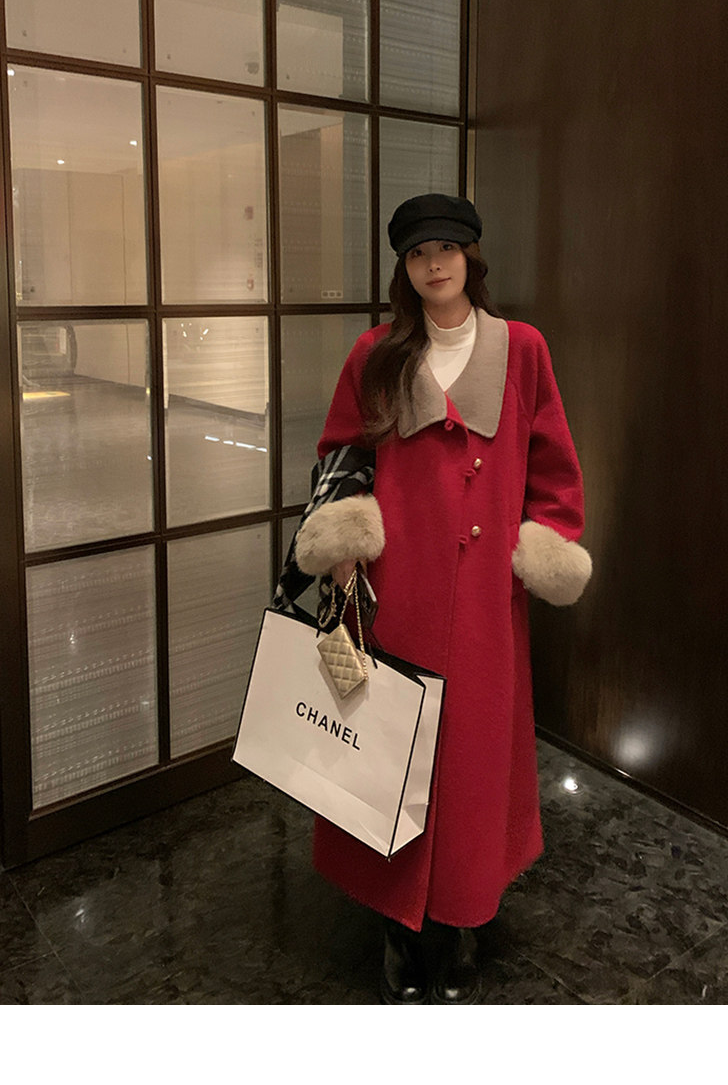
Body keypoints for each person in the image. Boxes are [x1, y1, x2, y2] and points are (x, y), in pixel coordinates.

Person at [292, 193, 592, 1004]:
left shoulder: (522, 349)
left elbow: (555, 468)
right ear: (404, 265)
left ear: (470, 258)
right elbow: (340, 455)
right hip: (399, 595)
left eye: (447, 249)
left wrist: (545, 544)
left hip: (489, 600)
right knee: (392, 752)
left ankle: (461, 918)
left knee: (471, 764)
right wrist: (343, 543)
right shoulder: (376, 353)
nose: (435, 264)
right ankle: (398, 925)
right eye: (419, 252)